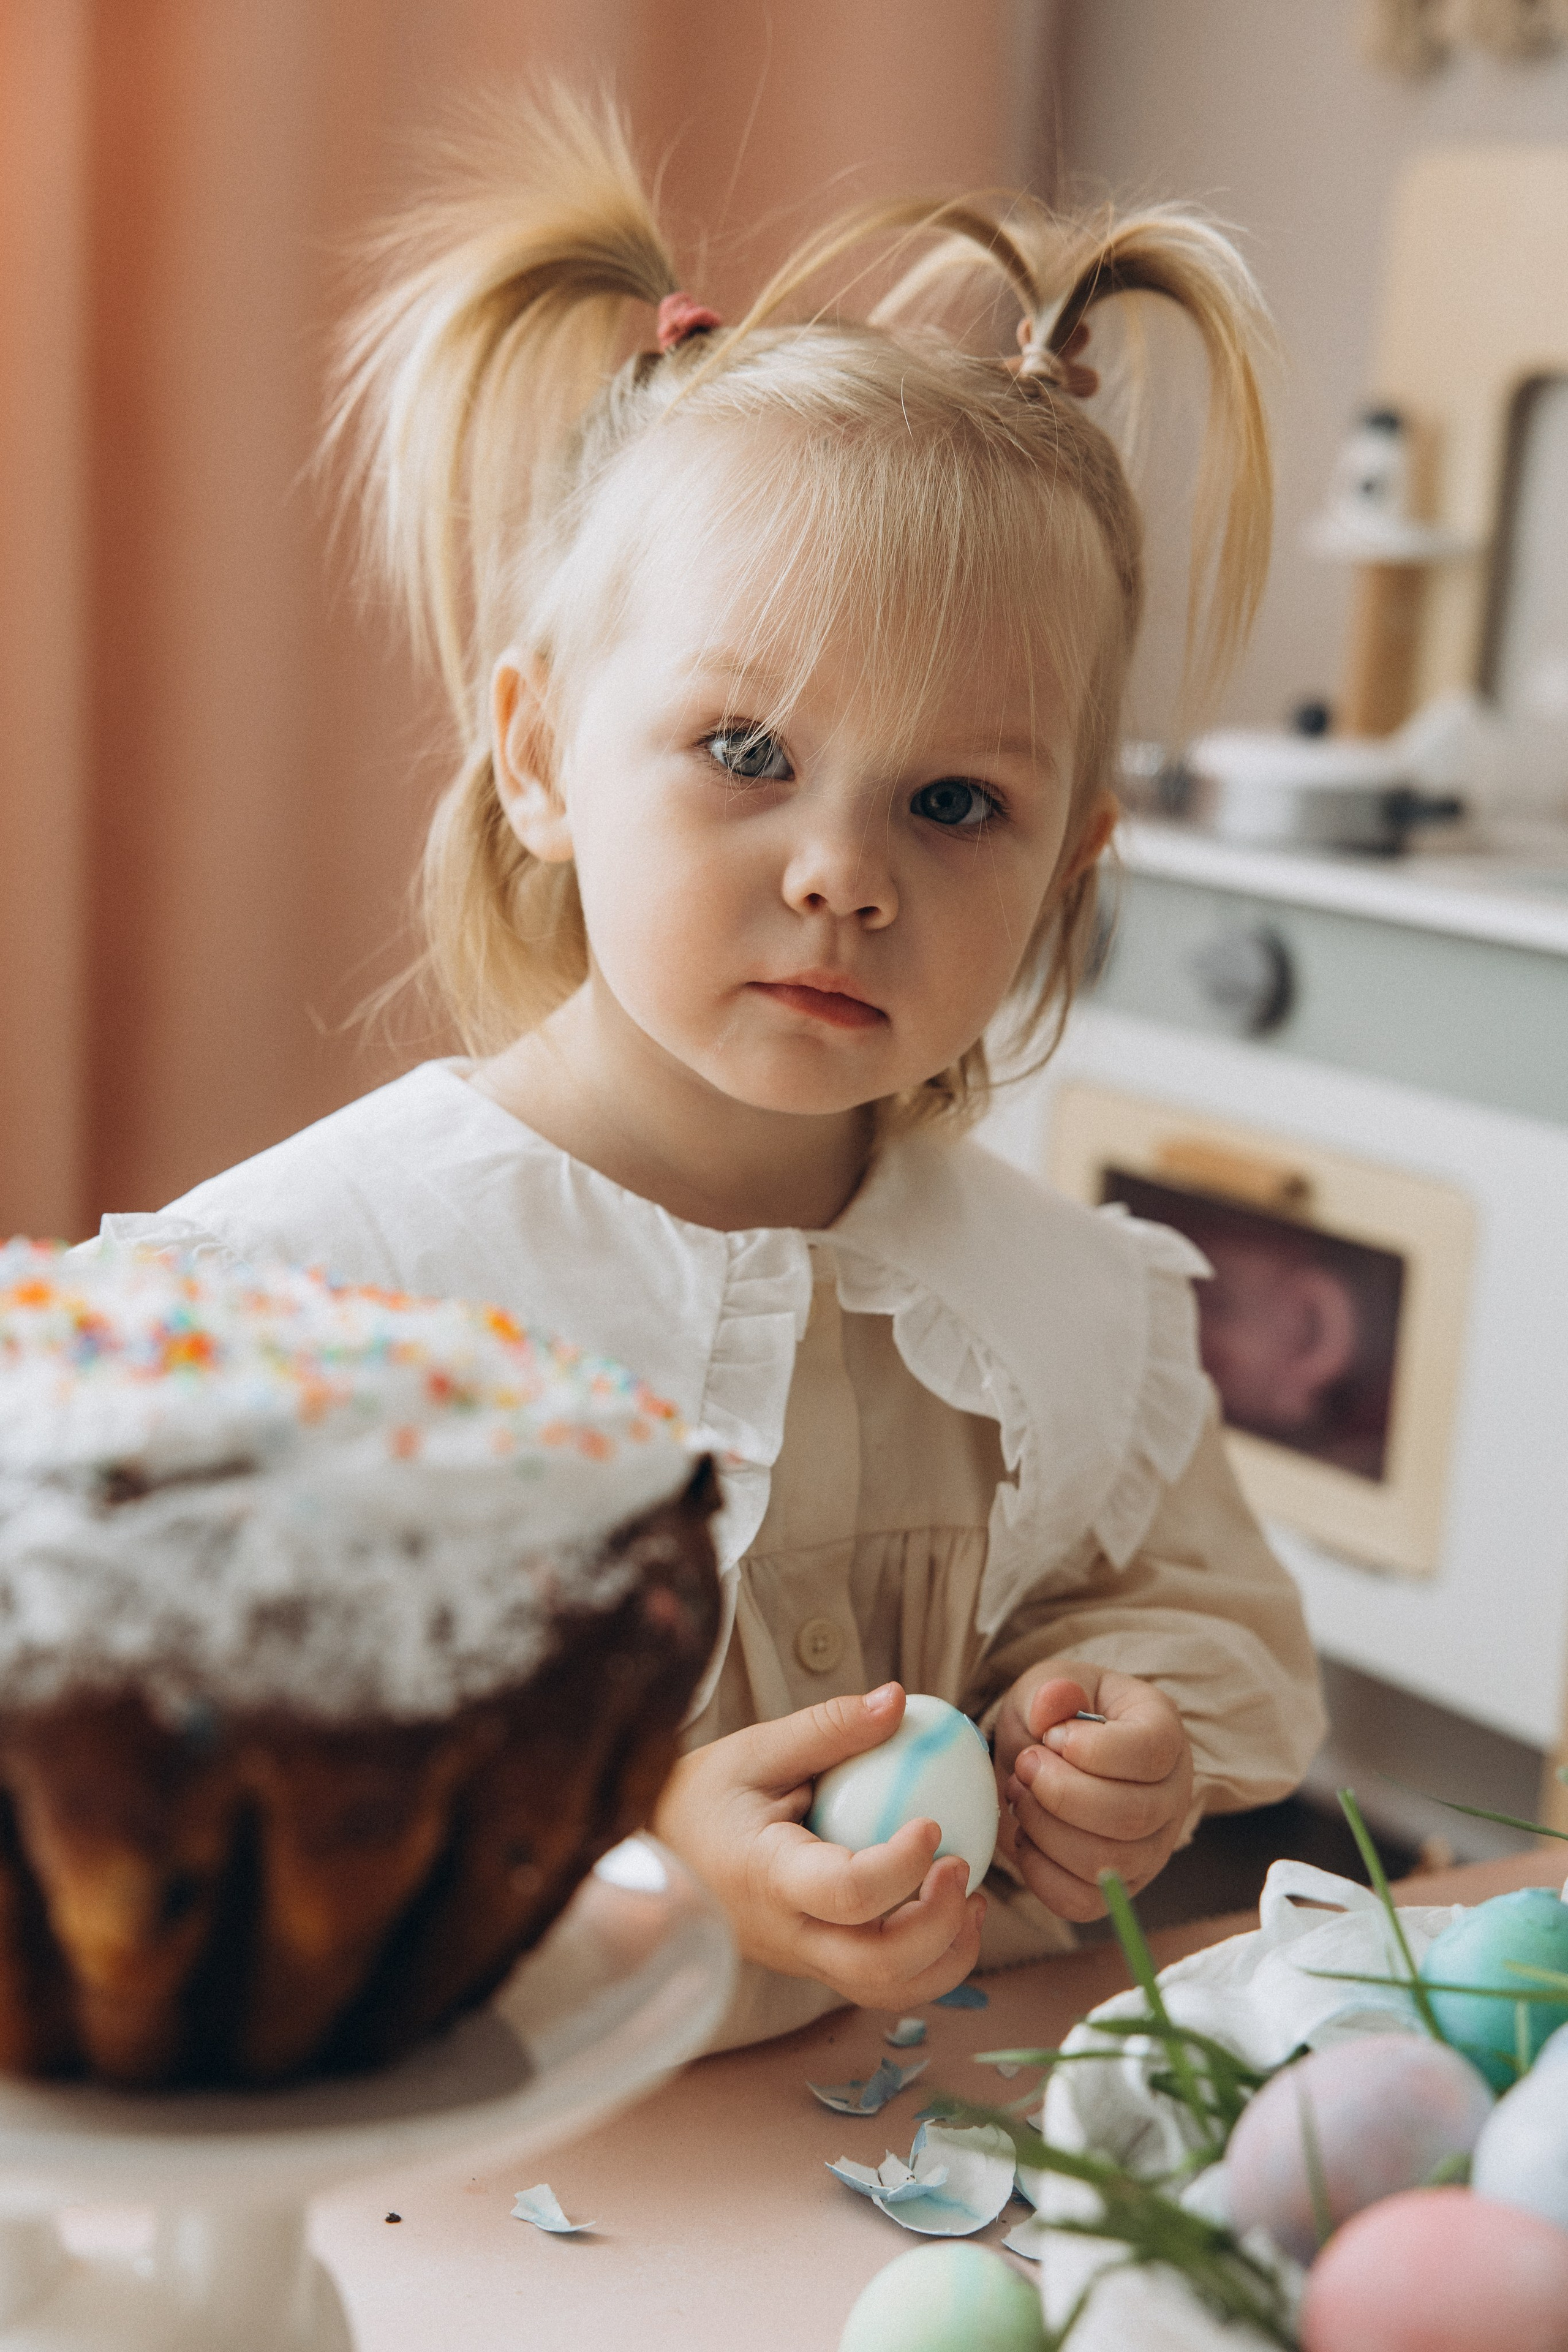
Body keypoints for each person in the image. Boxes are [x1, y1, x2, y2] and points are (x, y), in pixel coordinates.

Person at [105, 92, 1325, 2048]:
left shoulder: (1062, 1318)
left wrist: (1124, 1729)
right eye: (748, 754)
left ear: (1069, 867)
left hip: (885, 2133)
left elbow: (1210, 1622)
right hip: (450, 2185)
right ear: (538, 754)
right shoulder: (323, 1289)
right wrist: (636, 1839)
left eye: (954, 802)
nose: (845, 872)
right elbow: (160, 1781)